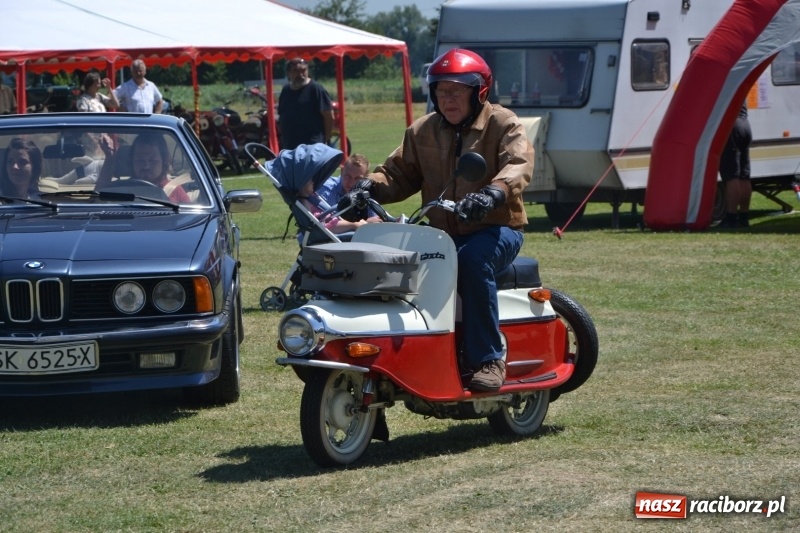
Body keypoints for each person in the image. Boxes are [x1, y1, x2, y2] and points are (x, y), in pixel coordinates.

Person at [342, 49, 534, 392]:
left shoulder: (502, 123)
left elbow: (518, 164)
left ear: (479, 92)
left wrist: (494, 193)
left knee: (471, 262)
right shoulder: (423, 131)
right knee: (397, 265)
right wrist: (367, 186)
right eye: (441, 91)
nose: (448, 99)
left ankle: (489, 359)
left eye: (457, 91)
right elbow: (398, 174)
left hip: (496, 227)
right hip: (442, 232)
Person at [96, 133, 192, 203]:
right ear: (132, 162)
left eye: (153, 161)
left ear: (164, 162)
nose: (146, 166)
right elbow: (97, 201)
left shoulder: (175, 190)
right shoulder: (122, 189)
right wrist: (110, 159)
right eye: (140, 160)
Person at [277, 58, 334, 150]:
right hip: (290, 146)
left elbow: (329, 116)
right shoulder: (286, 90)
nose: (300, 74)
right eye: (295, 71)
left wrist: (325, 139)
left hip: (312, 146)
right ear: (289, 73)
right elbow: (282, 115)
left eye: (303, 70)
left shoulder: (316, 89)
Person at [719, 102, 753, 228]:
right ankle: (744, 218)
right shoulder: (732, 81)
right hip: (745, 124)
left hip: (731, 126)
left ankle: (731, 218)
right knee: (744, 176)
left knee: (731, 176)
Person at [318, 153, 379, 219]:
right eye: (348, 176)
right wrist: (364, 223)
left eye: (357, 178)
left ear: (366, 177)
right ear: (342, 171)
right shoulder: (326, 190)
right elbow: (327, 223)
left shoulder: (366, 191)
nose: (352, 182)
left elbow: (376, 219)